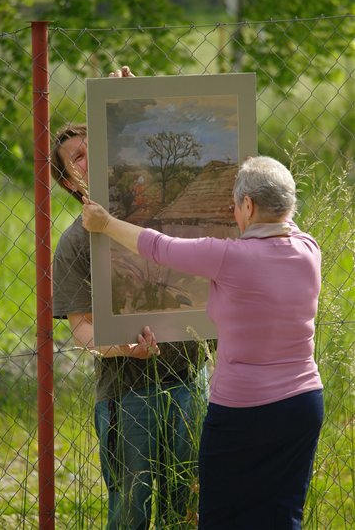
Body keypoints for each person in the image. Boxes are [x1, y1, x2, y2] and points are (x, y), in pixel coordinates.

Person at [82, 155, 324, 530]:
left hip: (243, 413)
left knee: (223, 516)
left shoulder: (229, 257)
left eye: (237, 203)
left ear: (248, 205)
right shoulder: (309, 250)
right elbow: (280, 229)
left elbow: (158, 246)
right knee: (282, 513)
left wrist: (106, 222)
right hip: (303, 405)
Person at [51, 67, 202, 530]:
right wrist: (120, 347)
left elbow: (179, 142)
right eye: (77, 157)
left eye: (95, 145)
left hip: (190, 379)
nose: (89, 158)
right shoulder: (76, 243)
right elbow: (80, 326)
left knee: (189, 502)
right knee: (131, 507)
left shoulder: (169, 209)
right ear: (71, 182)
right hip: (125, 391)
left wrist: (134, 102)